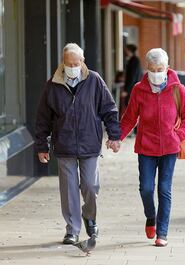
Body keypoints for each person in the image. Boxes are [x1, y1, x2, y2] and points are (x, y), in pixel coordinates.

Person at [35, 43, 121, 244]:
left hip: (89, 143)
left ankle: (90, 217)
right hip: (64, 145)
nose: (73, 66)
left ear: (83, 61)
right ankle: (72, 229)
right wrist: (41, 146)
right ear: (63, 63)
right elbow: (43, 118)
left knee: (90, 185)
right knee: (69, 189)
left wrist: (114, 136)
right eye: (69, 63)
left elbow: (109, 109)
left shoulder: (94, 80)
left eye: (77, 62)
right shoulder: (53, 84)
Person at [119, 48, 185, 247]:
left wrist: (178, 135)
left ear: (167, 68)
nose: (156, 73)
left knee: (164, 189)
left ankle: (162, 233)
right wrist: (117, 137)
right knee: (146, 188)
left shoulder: (178, 89)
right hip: (146, 148)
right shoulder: (138, 89)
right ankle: (150, 216)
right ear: (147, 68)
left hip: (170, 148)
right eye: (152, 69)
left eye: (159, 69)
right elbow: (129, 117)